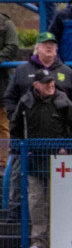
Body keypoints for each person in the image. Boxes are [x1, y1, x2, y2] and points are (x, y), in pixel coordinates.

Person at [10, 70, 72, 248]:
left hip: (58, 161)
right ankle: (39, 241)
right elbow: (15, 127)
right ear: (36, 85)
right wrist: (20, 150)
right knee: (36, 202)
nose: (51, 85)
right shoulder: (26, 102)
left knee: (56, 200)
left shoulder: (62, 100)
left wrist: (69, 148)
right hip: (33, 161)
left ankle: (59, 239)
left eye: (52, 82)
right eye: (46, 82)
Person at [4, 32, 72, 117]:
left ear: (56, 49)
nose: (49, 47)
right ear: (36, 48)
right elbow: (10, 97)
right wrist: (15, 117)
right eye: (44, 44)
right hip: (31, 123)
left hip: (59, 125)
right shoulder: (22, 70)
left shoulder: (67, 72)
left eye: (52, 44)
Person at [0, 12, 19, 172]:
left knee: (3, 125)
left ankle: (2, 162)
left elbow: (12, 46)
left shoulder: (5, 22)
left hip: (1, 81)